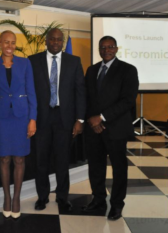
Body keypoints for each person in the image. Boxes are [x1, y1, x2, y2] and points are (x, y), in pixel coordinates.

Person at [28, 28, 86, 211]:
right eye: (52, 39)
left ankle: (62, 197)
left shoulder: (74, 61)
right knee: (41, 160)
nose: (55, 42)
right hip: (41, 118)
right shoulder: (33, 61)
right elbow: (29, 91)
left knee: (62, 160)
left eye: (59, 40)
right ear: (46, 41)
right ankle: (42, 197)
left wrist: (80, 120)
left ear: (63, 42)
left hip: (65, 118)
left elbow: (80, 92)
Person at [83, 36, 138, 220]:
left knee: (119, 168)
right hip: (93, 129)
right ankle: (98, 200)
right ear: (99, 49)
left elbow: (128, 101)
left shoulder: (128, 70)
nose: (106, 50)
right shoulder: (91, 70)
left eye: (110, 47)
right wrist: (92, 119)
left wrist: (102, 118)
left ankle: (116, 205)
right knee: (95, 167)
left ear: (116, 49)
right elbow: (87, 98)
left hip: (116, 128)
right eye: (103, 47)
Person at [0, 30, 37, 219]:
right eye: (6, 42)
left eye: (13, 42)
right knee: (4, 159)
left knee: (20, 159)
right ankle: (6, 198)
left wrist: (33, 119)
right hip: (0, 117)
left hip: (21, 116)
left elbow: (31, 92)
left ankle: (16, 198)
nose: (9, 46)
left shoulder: (25, 63)